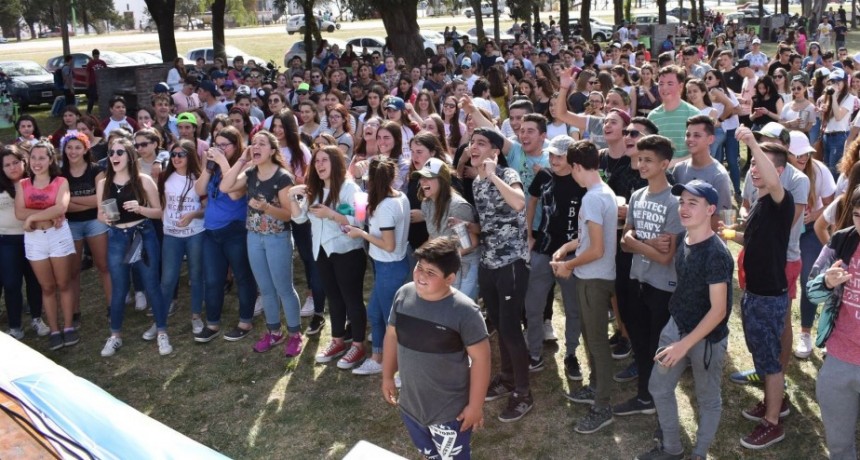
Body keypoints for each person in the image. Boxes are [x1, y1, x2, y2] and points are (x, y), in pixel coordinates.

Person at [636, 180, 734, 460]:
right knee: (659, 387)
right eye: (682, 201)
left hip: (707, 340)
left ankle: (699, 454)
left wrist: (683, 346)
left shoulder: (717, 254)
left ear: (710, 209)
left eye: (693, 203)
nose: (684, 208)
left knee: (707, 399)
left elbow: (718, 311)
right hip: (676, 325)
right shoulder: (683, 238)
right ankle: (672, 449)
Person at [382, 237, 490, 460]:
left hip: (450, 413)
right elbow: (391, 336)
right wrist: (387, 377)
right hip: (411, 406)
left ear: (450, 278)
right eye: (419, 267)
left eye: (431, 273)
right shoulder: (403, 295)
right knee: (430, 455)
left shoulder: (466, 312)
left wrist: (475, 406)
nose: (421, 276)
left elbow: (482, 360)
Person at [730, 128, 795, 449]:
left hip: (769, 297)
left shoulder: (783, 200)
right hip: (754, 292)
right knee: (761, 354)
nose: (754, 169)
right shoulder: (760, 201)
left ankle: (773, 422)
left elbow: (772, 180)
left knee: (770, 362)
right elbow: (754, 240)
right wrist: (728, 235)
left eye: (761, 164)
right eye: (752, 164)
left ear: (778, 172)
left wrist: (752, 143)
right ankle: (776, 402)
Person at [614, 134, 684, 418]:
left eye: (648, 160)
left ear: (664, 164)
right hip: (637, 280)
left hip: (662, 286)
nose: (641, 164)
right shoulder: (637, 195)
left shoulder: (675, 202)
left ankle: (659, 398)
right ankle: (644, 397)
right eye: (639, 159)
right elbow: (622, 242)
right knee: (641, 345)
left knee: (658, 346)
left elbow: (665, 256)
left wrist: (637, 242)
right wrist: (647, 243)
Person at [551, 140, 618, 434]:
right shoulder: (604, 192)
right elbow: (590, 238)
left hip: (593, 278)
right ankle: (595, 388)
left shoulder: (591, 198)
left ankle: (602, 405)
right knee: (593, 339)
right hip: (597, 275)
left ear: (577, 166)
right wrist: (568, 246)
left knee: (597, 343)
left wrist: (568, 265)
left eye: (572, 169)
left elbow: (597, 249)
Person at [219, 131, 304, 357]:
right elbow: (225, 188)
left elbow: (288, 215)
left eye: (262, 144)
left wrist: (267, 208)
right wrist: (241, 159)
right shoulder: (250, 172)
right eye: (253, 143)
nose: (255, 146)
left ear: (273, 151)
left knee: (283, 288)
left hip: (277, 237)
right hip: (254, 237)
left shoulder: (283, 177)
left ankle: (295, 334)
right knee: (265, 288)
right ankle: (274, 331)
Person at [468, 127, 532, 423]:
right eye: (471, 143)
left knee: (510, 329)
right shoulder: (476, 184)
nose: (473, 147)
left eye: (481, 143)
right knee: (498, 326)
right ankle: (507, 377)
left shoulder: (506, 175)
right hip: (488, 263)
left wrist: (494, 174)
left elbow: (519, 204)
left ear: (495, 151)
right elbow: (493, 222)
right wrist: (470, 228)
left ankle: (523, 393)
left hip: (511, 264)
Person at [290, 146, 367, 367]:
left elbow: (360, 220)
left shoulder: (350, 187)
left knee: (352, 298)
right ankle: (337, 340)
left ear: (335, 162)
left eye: (324, 160)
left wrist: (332, 215)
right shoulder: (314, 189)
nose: (319, 165)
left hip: (348, 251)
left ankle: (358, 346)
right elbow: (298, 219)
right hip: (321, 251)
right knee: (333, 297)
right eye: (316, 161)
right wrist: (291, 196)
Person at [95, 137, 171, 357]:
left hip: (143, 234)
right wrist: (106, 219)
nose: (114, 156)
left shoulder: (143, 180)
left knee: (151, 285)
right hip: (118, 236)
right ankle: (115, 335)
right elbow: (100, 213)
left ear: (130, 155)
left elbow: (159, 212)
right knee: (119, 288)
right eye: (111, 153)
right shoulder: (103, 183)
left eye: (120, 152)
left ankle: (162, 332)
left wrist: (140, 209)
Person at [523, 135, 585, 378]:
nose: (554, 160)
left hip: (571, 256)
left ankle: (571, 355)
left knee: (573, 308)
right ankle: (534, 353)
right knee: (533, 306)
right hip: (542, 250)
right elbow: (531, 202)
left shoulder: (582, 180)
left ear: (571, 158)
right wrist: (528, 234)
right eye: (552, 155)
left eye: (560, 156)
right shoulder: (543, 176)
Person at [807, 186, 860, 460]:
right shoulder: (841, 241)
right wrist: (826, 281)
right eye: (858, 215)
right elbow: (812, 293)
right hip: (840, 358)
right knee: (839, 447)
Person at [346, 157, 410, 374]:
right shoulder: (400, 196)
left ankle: (396, 364)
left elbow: (389, 245)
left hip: (389, 266)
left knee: (389, 318)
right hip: (390, 266)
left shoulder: (385, 207)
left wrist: (361, 233)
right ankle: (379, 357)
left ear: (372, 180)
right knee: (375, 311)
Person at [193, 126, 257, 343]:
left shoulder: (244, 165)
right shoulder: (211, 164)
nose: (219, 149)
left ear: (235, 145)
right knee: (212, 279)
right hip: (211, 231)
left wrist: (223, 162)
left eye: (224, 145)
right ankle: (212, 324)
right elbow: (200, 190)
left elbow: (235, 194)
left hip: (235, 229)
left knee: (242, 276)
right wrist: (208, 168)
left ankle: (245, 321)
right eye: (216, 144)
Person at [14, 142, 76, 351]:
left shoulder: (60, 181)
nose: (37, 162)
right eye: (33, 158)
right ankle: (54, 329)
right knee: (47, 287)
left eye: (42, 158)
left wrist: (32, 217)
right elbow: (19, 213)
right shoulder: (22, 184)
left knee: (64, 283)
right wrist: (38, 216)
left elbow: (62, 207)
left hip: (57, 235)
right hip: (34, 239)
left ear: (51, 160)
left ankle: (68, 326)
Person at [60, 132, 110, 329]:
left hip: (95, 222)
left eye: (77, 147)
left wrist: (71, 201)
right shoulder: (61, 173)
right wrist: (90, 203)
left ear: (86, 149)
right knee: (73, 271)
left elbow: (101, 198)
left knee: (103, 265)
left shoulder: (96, 170)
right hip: (71, 225)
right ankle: (74, 311)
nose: (73, 151)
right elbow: (62, 206)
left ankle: (112, 307)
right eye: (69, 147)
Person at [157, 139, 205, 335]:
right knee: (168, 278)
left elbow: (206, 207)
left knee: (196, 275)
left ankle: (196, 316)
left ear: (190, 156)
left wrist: (193, 215)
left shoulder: (198, 178)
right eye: (173, 155)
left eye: (180, 154)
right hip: (171, 235)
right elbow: (160, 204)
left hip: (195, 233)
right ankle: (160, 321)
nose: (176, 158)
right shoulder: (164, 178)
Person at [0, 146, 47, 339]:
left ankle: (37, 318)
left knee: (35, 280)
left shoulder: (35, 182)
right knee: (11, 283)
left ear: (24, 162)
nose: (12, 168)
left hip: (33, 237)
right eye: (7, 165)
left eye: (15, 162)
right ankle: (15, 326)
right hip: (6, 241)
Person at [647, 66, 702, 163]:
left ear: (681, 86)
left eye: (670, 84)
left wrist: (675, 163)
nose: (664, 88)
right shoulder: (652, 116)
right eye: (661, 84)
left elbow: (702, 150)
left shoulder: (694, 114)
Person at [85, 49, 107, 115]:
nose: (96, 58)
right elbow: (87, 74)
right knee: (92, 98)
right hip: (93, 83)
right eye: (95, 56)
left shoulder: (102, 62)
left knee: (102, 97)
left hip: (101, 83)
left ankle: (103, 111)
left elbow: (106, 72)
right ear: (93, 56)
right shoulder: (90, 63)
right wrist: (87, 83)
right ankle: (88, 111)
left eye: (97, 56)